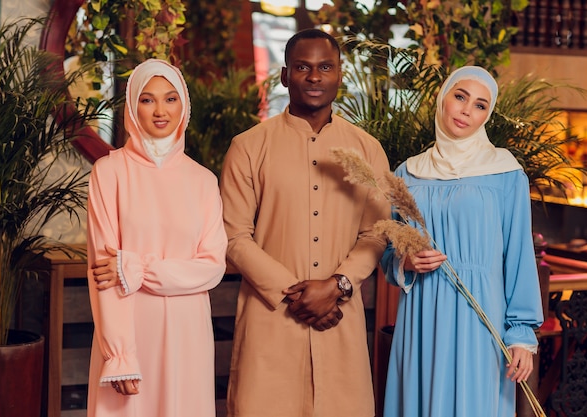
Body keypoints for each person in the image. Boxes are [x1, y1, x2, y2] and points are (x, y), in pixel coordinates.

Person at [219, 28, 391, 417]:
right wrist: (295, 294)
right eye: (303, 67)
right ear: (285, 76)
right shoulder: (247, 147)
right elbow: (234, 236)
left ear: (339, 76)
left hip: (339, 321)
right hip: (270, 321)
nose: (315, 77)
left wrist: (338, 285)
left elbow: (376, 232)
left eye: (325, 67)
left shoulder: (367, 150)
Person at [381, 66, 544, 417]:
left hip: (483, 316)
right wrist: (405, 262)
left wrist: (521, 335)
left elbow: (518, 255)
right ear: (442, 98)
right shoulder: (407, 172)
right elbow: (389, 250)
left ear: (488, 114)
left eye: (481, 105)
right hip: (423, 314)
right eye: (460, 97)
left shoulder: (505, 172)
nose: (467, 110)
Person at [85, 58, 227, 417]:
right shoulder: (109, 172)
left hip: (187, 331)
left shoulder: (203, 181)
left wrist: (135, 267)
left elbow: (211, 268)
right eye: (147, 100)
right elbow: (103, 272)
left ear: (184, 105)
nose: (160, 111)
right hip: (131, 328)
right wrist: (119, 356)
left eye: (170, 99)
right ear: (133, 106)